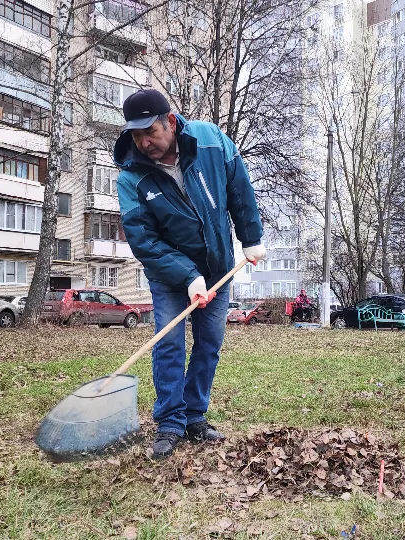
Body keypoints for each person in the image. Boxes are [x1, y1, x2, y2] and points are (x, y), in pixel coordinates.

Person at [113, 89, 266, 459]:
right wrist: (185, 275)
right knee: (168, 343)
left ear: (169, 120)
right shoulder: (131, 177)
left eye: (149, 132)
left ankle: (194, 415)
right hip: (168, 274)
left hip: (217, 266)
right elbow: (143, 240)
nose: (144, 142)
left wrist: (251, 237)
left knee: (209, 344)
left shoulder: (212, 142)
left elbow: (239, 191)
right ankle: (169, 421)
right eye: (136, 136)